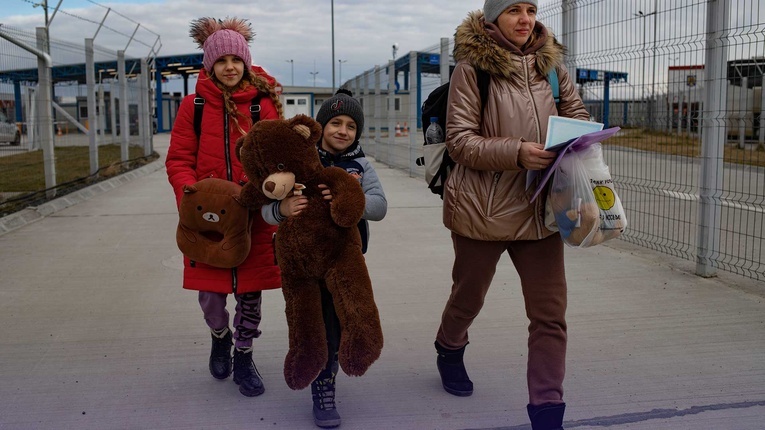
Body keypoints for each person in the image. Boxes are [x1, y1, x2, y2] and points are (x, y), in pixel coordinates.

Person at [433, 2, 591, 430]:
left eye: (531, 9)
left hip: (542, 212)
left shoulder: (554, 67)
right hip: (483, 209)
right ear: (491, 19)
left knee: (549, 315)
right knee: (468, 298)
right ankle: (449, 347)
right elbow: (459, 142)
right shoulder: (473, 70)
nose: (525, 18)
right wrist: (517, 152)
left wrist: (578, 137)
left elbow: (577, 115)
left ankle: (547, 412)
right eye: (513, 10)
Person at [166, 17, 284, 398]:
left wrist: (260, 191)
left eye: (236, 59)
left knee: (250, 294)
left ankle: (245, 355)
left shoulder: (262, 106)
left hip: (253, 219)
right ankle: (220, 335)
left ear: (246, 62)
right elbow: (179, 158)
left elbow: (275, 156)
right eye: (221, 60)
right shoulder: (193, 107)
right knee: (212, 296)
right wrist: (190, 195)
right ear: (209, 65)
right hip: (208, 221)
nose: (230, 67)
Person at [262, 89, 387, 428]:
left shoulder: (360, 165)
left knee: (336, 321)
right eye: (335, 123)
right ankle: (317, 376)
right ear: (321, 125)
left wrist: (350, 196)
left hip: (342, 262)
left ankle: (327, 381)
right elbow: (265, 209)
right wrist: (281, 209)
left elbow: (380, 206)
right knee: (308, 321)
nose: (342, 131)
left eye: (350, 125)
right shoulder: (300, 159)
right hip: (302, 263)